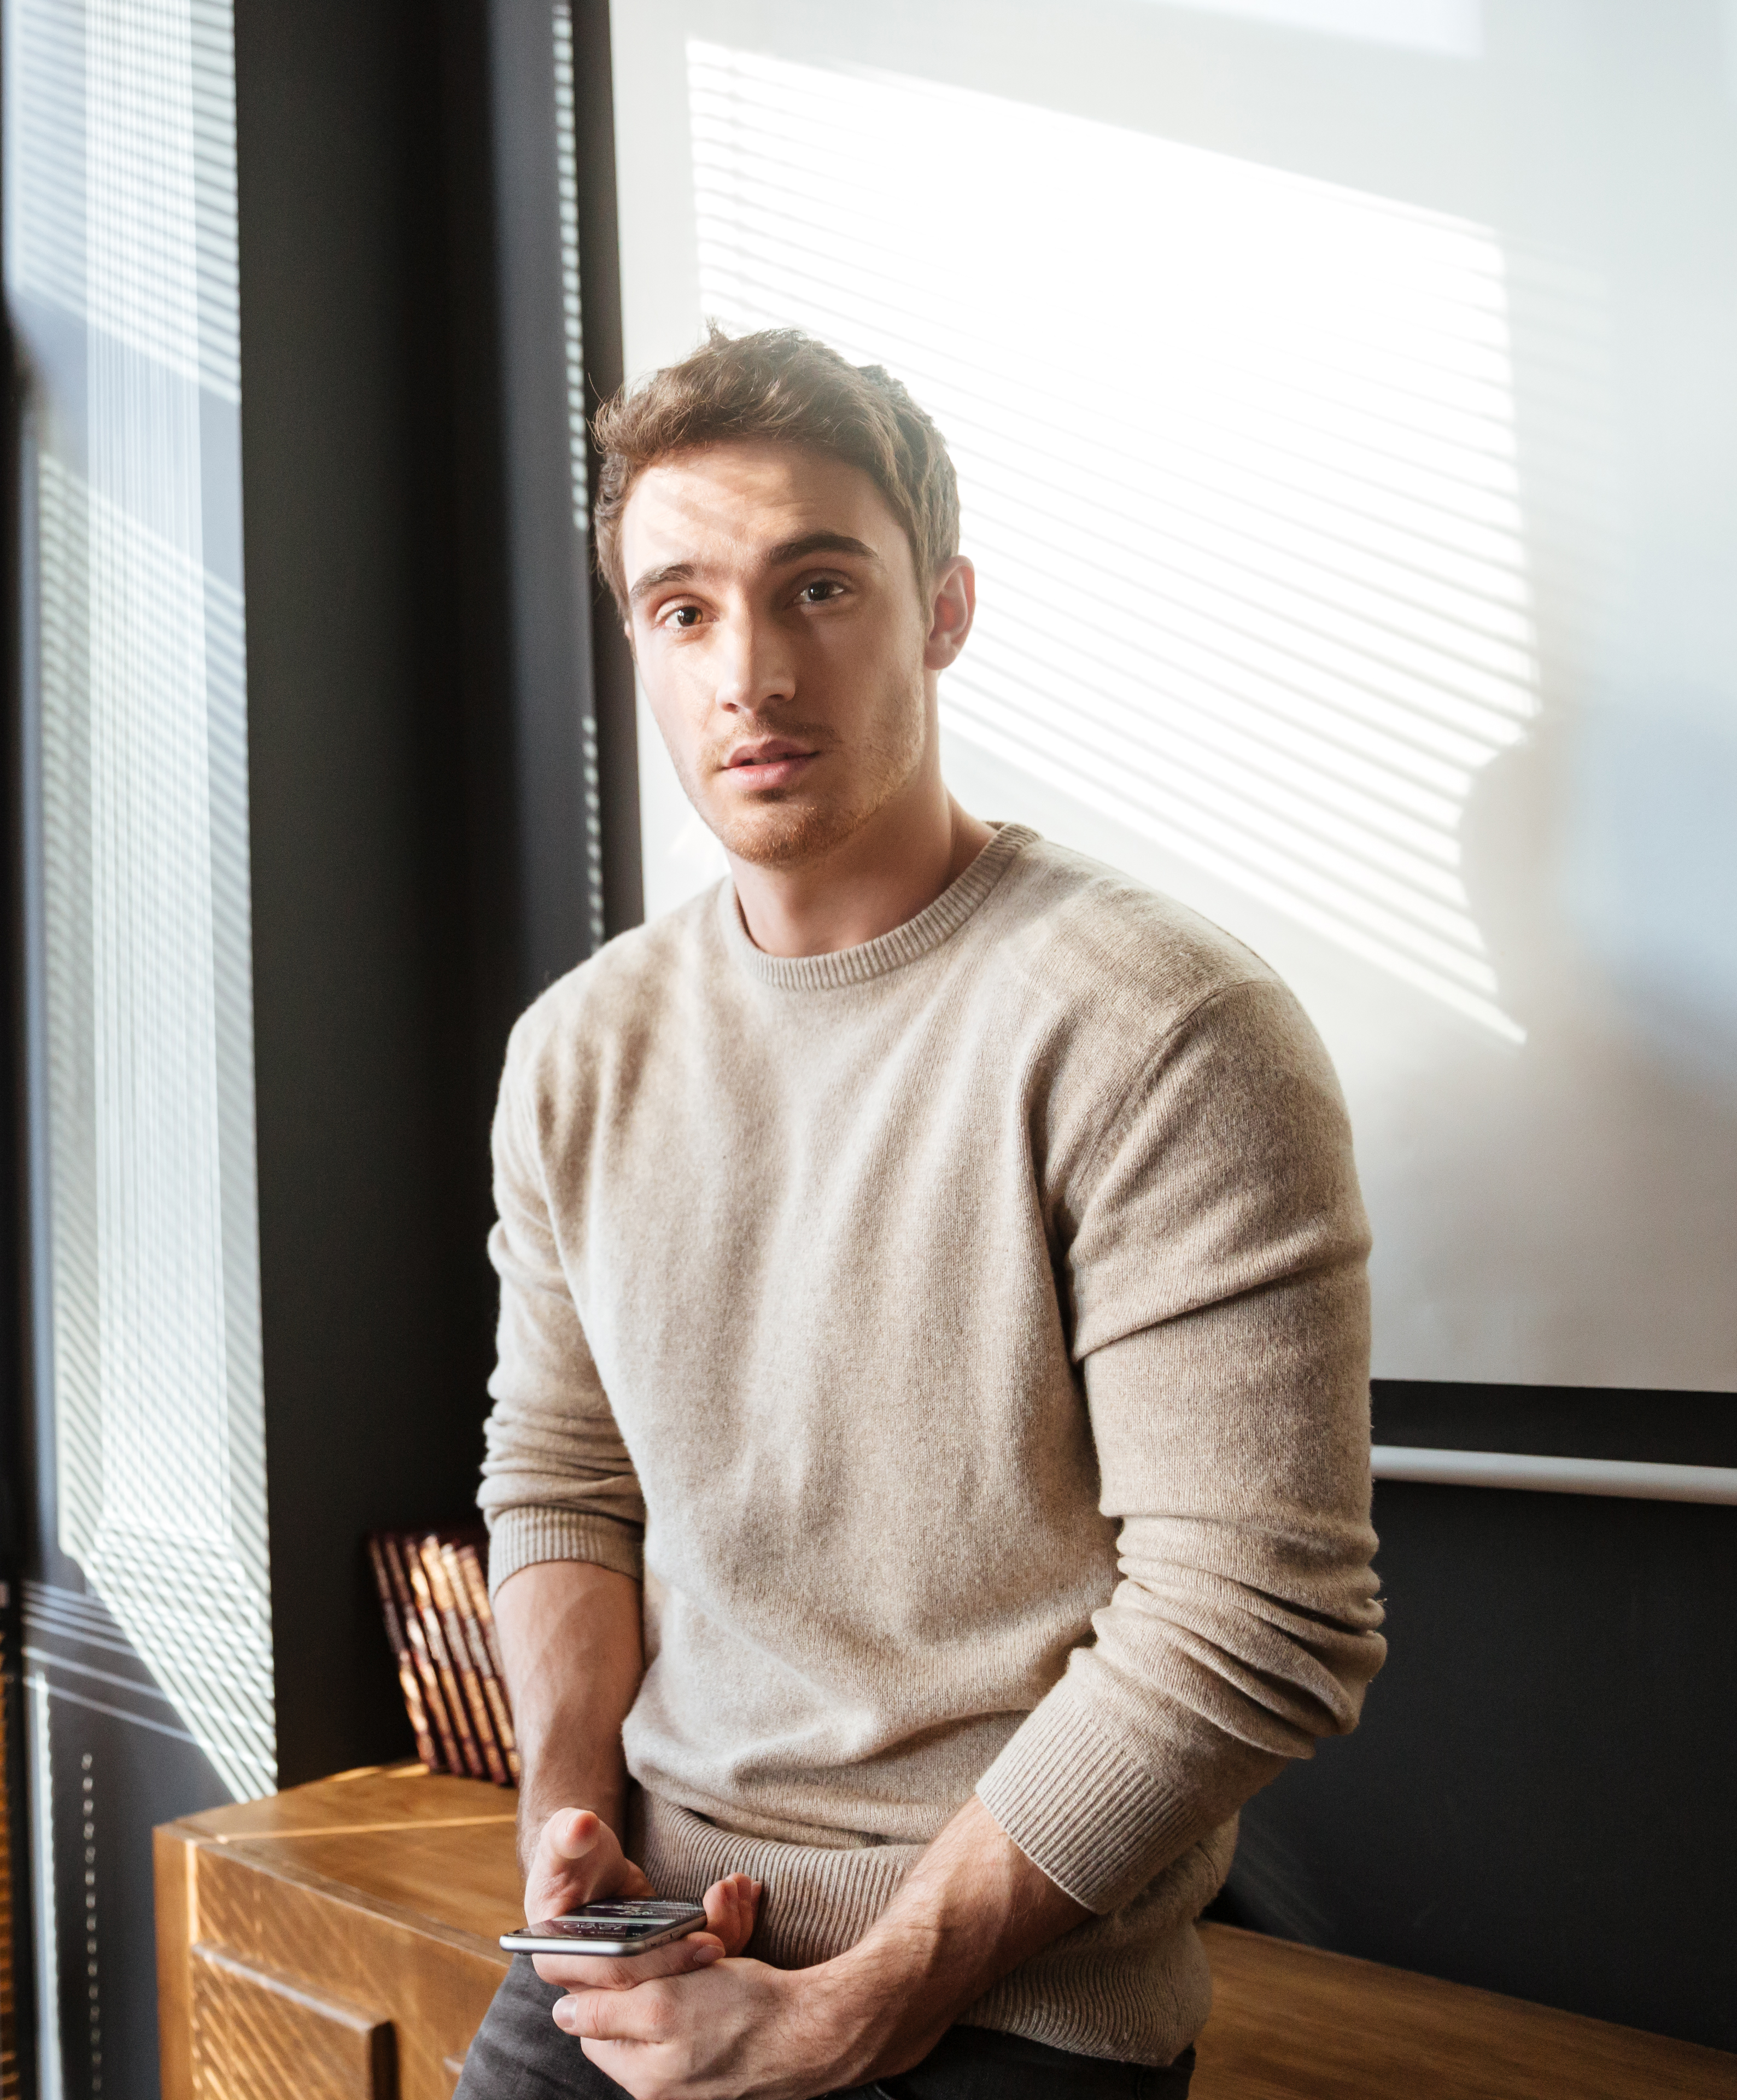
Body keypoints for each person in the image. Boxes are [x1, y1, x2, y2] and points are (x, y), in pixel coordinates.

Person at [455, 328, 1388, 2100]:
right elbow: (563, 1474)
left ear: (944, 608)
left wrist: (867, 1999)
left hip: (1008, 1982)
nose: (752, 672)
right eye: (684, 610)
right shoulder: (577, 1052)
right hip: (648, 1924)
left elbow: (1262, 1614)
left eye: (819, 587)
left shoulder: (1162, 1024)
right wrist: (567, 1799)